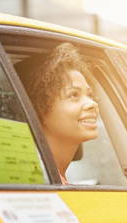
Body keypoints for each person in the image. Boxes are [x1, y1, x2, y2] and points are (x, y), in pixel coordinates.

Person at [16, 42, 99, 184]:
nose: (93, 104)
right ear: (38, 109)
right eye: (73, 95)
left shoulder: (47, 181)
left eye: (90, 95)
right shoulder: (38, 184)